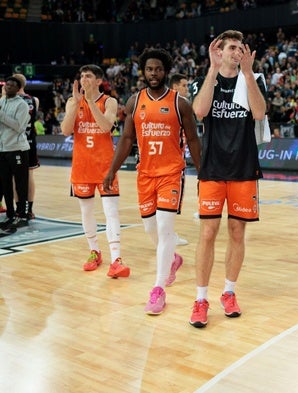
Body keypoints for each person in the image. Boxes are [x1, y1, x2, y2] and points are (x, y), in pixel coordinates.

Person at [102, 48, 201, 314]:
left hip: (171, 173)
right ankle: (173, 259)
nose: (153, 73)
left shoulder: (180, 103)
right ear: (142, 71)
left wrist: (203, 173)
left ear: (165, 71)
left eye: (158, 69)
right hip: (145, 173)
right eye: (149, 69)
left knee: (165, 226)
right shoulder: (135, 101)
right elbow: (126, 139)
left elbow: (193, 140)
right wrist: (112, 170)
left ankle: (158, 289)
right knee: (150, 230)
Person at [188, 30, 266, 328]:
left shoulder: (253, 79)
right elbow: (199, 111)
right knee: (207, 233)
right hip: (213, 168)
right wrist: (211, 69)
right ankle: (200, 299)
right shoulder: (204, 80)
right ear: (218, 51)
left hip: (244, 168)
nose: (237, 52)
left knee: (236, 233)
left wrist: (247, 74)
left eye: (240, 47)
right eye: (231, 47)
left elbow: (259, 113)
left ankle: (229, 292)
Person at [60, 64, 130, 278]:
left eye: (88, 76)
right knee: (86, 211)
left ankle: (116, 259)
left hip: (105, 167)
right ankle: (95, 252)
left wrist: (90, 101)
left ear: (99, 80)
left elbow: (106, 126)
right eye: (81, 76)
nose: (84, 79)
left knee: (110, 212)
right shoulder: (73, 101)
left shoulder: (109, 101)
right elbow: (65, 131)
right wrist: (74, 106)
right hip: (81, 167)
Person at [0, 76, 30, 231]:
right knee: (5, 184)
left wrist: (1, 115)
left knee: (20, 184)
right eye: (7, 84)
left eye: (12, 85)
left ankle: (22, 215)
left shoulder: (22, 105)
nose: (8, 86)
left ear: (18, 89)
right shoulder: (1, 102)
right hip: (2, 149)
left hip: (17, 149)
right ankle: (10, 214)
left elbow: (19, 127)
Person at [12, 73, 40, 220]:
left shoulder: (9, 100)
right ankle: (29, 209)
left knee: (14, 177)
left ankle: (19, 209)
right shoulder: (34, 100)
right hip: (30, 142)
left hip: (14, 143)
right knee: (29, 175)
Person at [169, 72, 192, 247]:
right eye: (184, 85)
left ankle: (168, 234)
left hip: (175, 159)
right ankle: (168, 236)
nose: (187, 88)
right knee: (171, 203)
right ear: (175, 87)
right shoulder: (178, 105)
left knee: (171, 203)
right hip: (173, 163)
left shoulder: (182, 105)